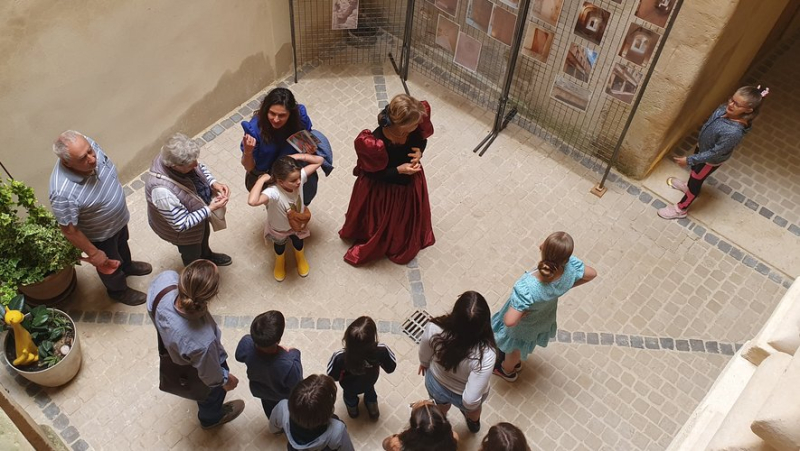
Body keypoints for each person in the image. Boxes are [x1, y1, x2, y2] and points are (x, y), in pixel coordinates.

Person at [49, 130, 152, 306]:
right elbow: (69, 230)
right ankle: (118, 291)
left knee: (122, 243)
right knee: (109, 265)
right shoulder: (62, 192)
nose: (92, 159)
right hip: (101, 235)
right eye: (83, 158)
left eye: (90, 151)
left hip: (117, 221)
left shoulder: (87, 145)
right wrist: (94, 253)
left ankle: (127, 266)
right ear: (67, 162)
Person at [147, 260, 244, 429]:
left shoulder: (166, 279)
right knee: (211, 395)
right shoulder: (203, 340)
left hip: (172, 351)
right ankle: (211, 418)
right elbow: (210, 376)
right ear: (212, 295)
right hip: (196, 367)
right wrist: (226, 380)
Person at [339, 94, 435, 266]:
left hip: (408, 185)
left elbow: (422, 140)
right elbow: (372, 175)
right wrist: (399, 170)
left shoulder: (414, 128)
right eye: (413, 125)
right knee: (383, 220)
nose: (417, 127)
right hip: (383, 191)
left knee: (403, 219)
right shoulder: (375, 143)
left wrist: (419, 152)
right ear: (401, 125)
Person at [492, 232, 596, 382]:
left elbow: (509, 321)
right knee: (522, 344)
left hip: (523, 325)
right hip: (543, 317)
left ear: (543, 249)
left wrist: (521, 314)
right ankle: (515, 364)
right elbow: (592, 274)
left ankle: (506, 370)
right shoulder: (570, 269)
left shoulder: (526, 287)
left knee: (514, 348)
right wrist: (567, 286)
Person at [658, 85, 769, 219]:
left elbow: (715, 153)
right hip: (702, 149)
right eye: (732, 100)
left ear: (748, 110)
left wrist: (689, 160)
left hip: (709, 161)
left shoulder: (733, 132)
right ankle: (688, 186)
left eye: (737, 104)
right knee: (694, 172)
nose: (731, 104)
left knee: (695, 182)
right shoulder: (724, 110)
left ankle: (681, 209)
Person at [145, 133, 232, 267]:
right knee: (192, 255)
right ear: (174, 166)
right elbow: (181, 224)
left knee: (203, 238)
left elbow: (199, 169)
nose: (196, 164)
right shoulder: (162, 192)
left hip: (197, 216)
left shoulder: (171, 155)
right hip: (184, 235)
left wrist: (213, 183)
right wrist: (210, 208)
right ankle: (197, 276)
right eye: (190, 165)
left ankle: (207, 255)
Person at [418, 291, 496, 433]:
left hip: (437, 382)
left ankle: (441, 422)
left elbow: (424, 351)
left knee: (440, 407)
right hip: (463, 395)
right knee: (473, 411)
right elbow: (471, 400)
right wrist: (466, 406)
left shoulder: (434, 327)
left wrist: (423, 363)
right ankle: (473, 422)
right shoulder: (486, 355)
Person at [240, 87, 334, 204]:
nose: (276, 119)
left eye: (282, 115)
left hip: (294, 168)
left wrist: (308, 149)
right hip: (269, 175)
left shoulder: (299, 119)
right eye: (272, 113)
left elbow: (304, 138)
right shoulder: (254, 130)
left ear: (291, 113)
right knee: (277, 205)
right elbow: (249, 167)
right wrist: (248, 152)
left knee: (304, 197)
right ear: (265, 110)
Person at [247, 154, 323, 281]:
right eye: (293, 180)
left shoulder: (298, 179)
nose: (299, 182)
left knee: (298, 242)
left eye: (299, 177)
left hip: (298, 225)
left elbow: (319, 161)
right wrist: (261, 180)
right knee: (279, 246)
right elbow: (252, 201)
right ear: (280, 181)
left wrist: (298, 157)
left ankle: (300, 257)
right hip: (279, 229)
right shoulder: (273, 192)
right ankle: (280, 261)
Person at [235, 310, 303, 419]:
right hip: (283, 395)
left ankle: (273, 421)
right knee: (288, 410)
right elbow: (297, 384)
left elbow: (239, 356)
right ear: (279, 340)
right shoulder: (290, 364)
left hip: (262, 391)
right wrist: (293, 352)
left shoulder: (246, 343)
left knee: (269, 408)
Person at [326, 316, 397, 419]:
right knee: (370, 393)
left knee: (349, 397)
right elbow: (391, 367)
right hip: (370, 381)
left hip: (349, 386)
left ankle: (353, 412)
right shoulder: (381, 351)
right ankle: (373, 411)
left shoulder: (340, 357)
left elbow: (332, 375)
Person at [269, 374, 355, 451]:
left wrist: (276, 432)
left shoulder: (283, 407)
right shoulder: (337, 430)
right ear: (327, 411)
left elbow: (273, 425)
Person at [381, 399, 459, 451]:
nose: (424, 401)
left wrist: (392, 440)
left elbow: (385, 444)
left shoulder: (397, 445)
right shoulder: (452, 439)